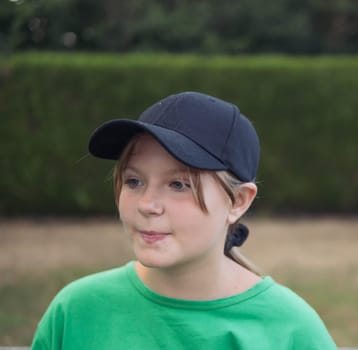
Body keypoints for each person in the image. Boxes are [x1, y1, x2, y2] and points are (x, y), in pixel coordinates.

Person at [31, 91, 337, 349]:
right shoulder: (76, 311)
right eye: (134, 181)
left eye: (179, 185)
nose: (148, 205)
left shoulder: (290, 330)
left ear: (238, 202)